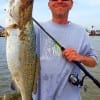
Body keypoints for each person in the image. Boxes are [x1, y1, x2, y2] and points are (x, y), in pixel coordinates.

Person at [33, 0, 98, 100]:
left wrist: (80, 57)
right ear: (49, 4)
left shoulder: (81, 32)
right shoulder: (35, 29)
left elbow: (93, 62)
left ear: (71, 4)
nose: (59, 1)